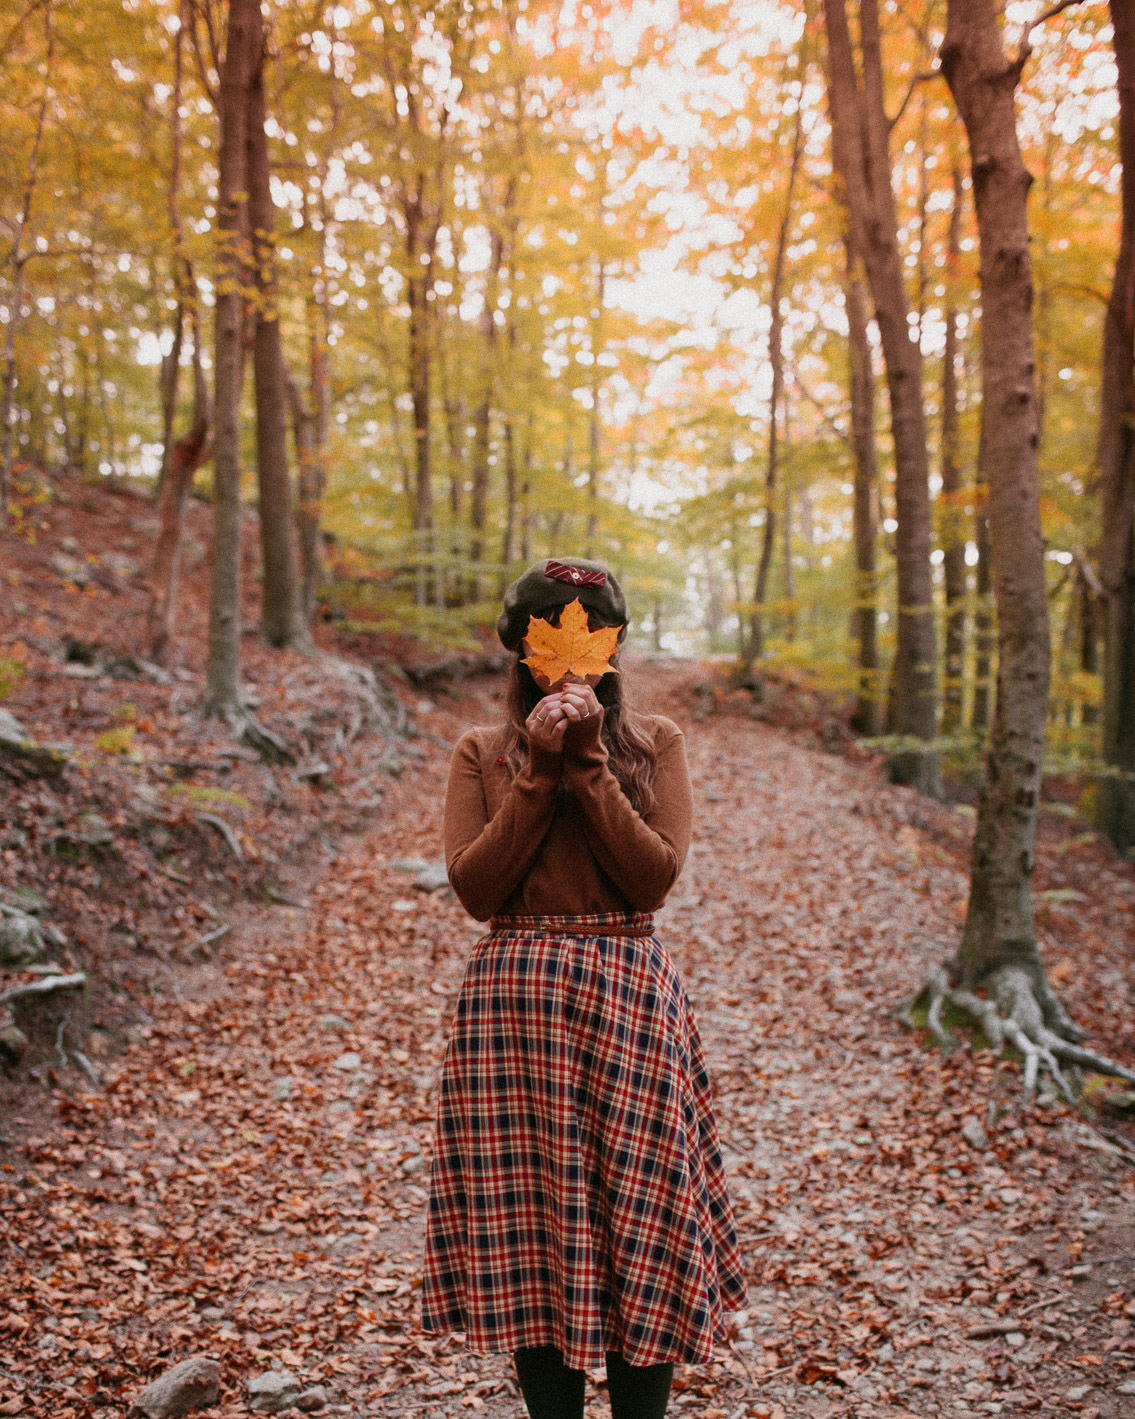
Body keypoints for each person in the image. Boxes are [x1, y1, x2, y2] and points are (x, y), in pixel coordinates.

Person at [422, 556, 746, 1419]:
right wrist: (535, 765)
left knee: (642, 1220)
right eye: (546, 643)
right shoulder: (480, 750)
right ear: (518, 653)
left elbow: (650, 880)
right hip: (512, 1012)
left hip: (630, 997)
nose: (567, 665)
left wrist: (591, 761)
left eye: (587, 642)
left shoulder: (655, 742)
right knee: (529, 1227)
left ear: (612, 652)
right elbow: (476, 890)